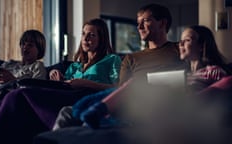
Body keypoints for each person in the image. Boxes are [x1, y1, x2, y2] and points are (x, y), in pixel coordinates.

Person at [52, 3, 186, 130]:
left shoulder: (179, 49)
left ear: (162, 23)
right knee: (67, 112)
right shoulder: (131, 59)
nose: (139, 27)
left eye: (145, 21)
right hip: (132, 106)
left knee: (87, 124)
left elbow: (197, 72)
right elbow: (119, 91)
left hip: (166, 104)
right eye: (138, 23)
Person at [0, 18, 121, 144]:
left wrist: (85, 83)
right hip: (66, 93)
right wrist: (58, 79)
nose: (85, 38)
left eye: (91, 35)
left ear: (101, 39)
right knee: (14, 96)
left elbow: (116, 88)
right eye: (83, 34)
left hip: (85, 96)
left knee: (19, 94)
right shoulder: (74, 66)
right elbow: (65, 84)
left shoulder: (111, 59)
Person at [0, 29, 47, 101]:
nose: (25, 47)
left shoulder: (38, 66)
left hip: (7, 99)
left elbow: (35, 92)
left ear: (39, 49)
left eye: (30, 45)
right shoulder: (9, 63)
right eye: (23, 44)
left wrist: (12, 80)